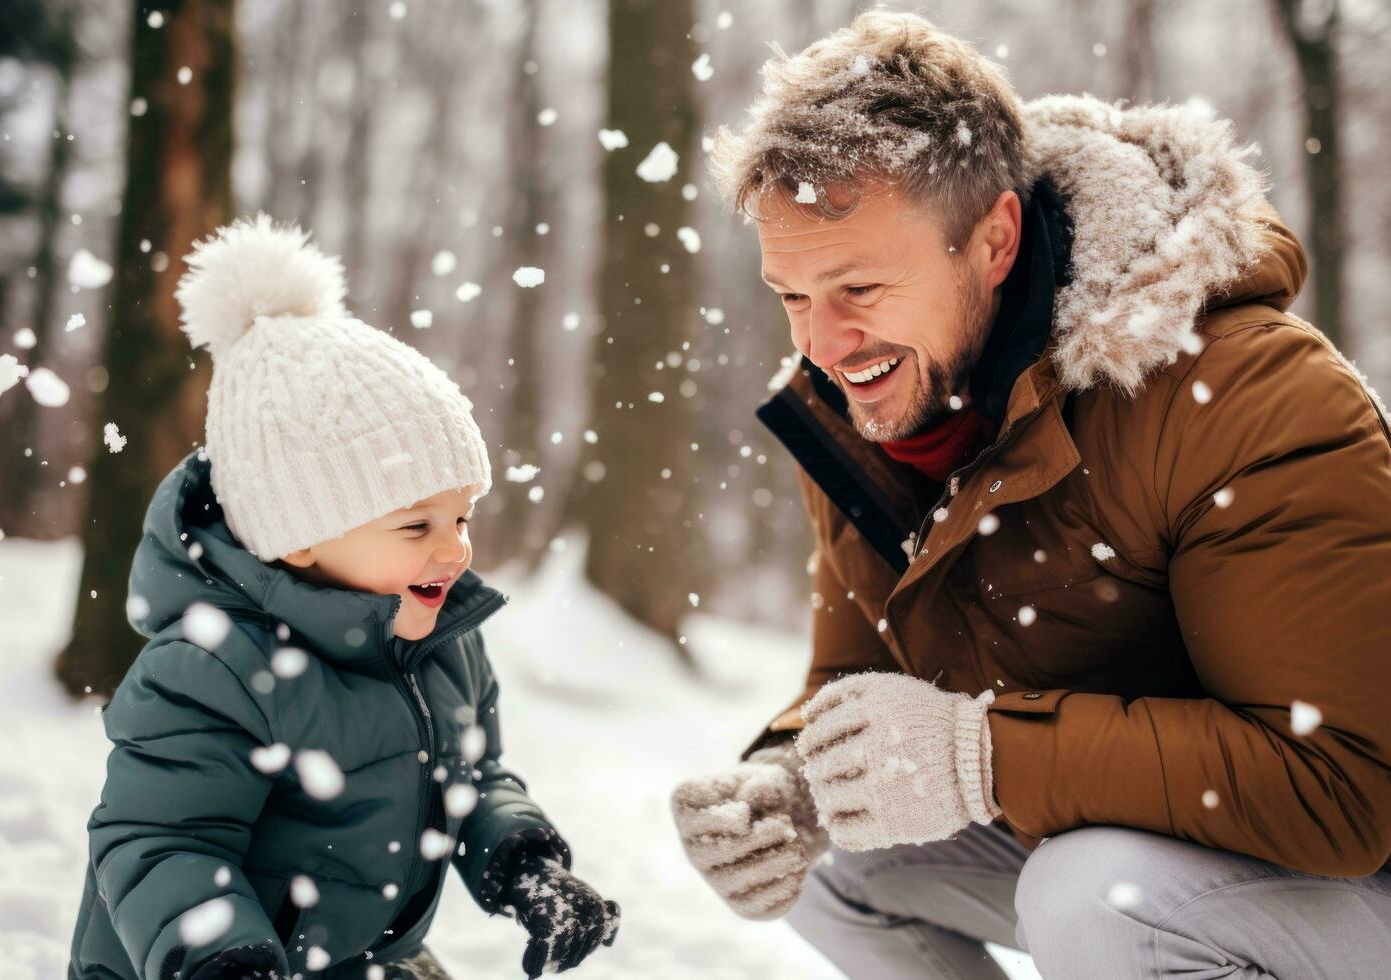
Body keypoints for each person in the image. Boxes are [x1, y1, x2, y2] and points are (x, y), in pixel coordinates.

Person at [672, 11, 1391, 979]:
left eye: (861, 286)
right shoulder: (862, 412)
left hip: (1353, 879)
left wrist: (984, 754)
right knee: (843, 843)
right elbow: (855, 683)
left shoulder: (1250, 395)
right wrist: (788, 779)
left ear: (996, 239)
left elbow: (1341, 787)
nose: (822, 343)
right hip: (1147, 842)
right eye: (793, 294)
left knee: (1098, 895)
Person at [68, 216, 618, 980]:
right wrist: (229, 958)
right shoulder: (211, 667)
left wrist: (526, 864)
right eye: (417, 524)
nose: (455, 547)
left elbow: (475, 778)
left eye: (462, 516)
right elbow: (160, 842)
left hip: (352, 956)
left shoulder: (441, 636)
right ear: (301, 535)